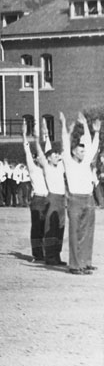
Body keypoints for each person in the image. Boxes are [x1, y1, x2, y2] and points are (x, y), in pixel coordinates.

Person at [59, 112, 100, 275]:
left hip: (89, 199)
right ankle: (75, 265)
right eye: (80, 150)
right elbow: (64, 142)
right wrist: (63, 124)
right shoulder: (68, 162)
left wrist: (91, 129)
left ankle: (86, 262)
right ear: (73, 151)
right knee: (75, 233)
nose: (84, 152)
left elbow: (92, 146)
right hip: (75, 199)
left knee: (88, 232)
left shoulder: (85, 161)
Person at [33, 118, 67, 267]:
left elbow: (63, 149)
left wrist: (62, 126)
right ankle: (50, 256)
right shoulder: (47, 167)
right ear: (48, 158)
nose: (58, 157)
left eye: (58, 155)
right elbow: (42, 152)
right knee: (51, 228)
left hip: (62, 199)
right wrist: (36, 138)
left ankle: (56, 255)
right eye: (54, 155)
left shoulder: (60, 167)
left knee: (60, 228)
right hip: (52, 198)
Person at [22, 123, 49, 263]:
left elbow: (48, 149)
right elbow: (26, 151)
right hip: (38, 199)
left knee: (48, 227)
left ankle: (48, 253)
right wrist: (24, 135)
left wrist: (46, 134)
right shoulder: (33, 169)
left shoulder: (47, 168)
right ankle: (38, 254)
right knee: (37, 227)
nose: (40, 158)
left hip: (48, 199)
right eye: (38, 156)